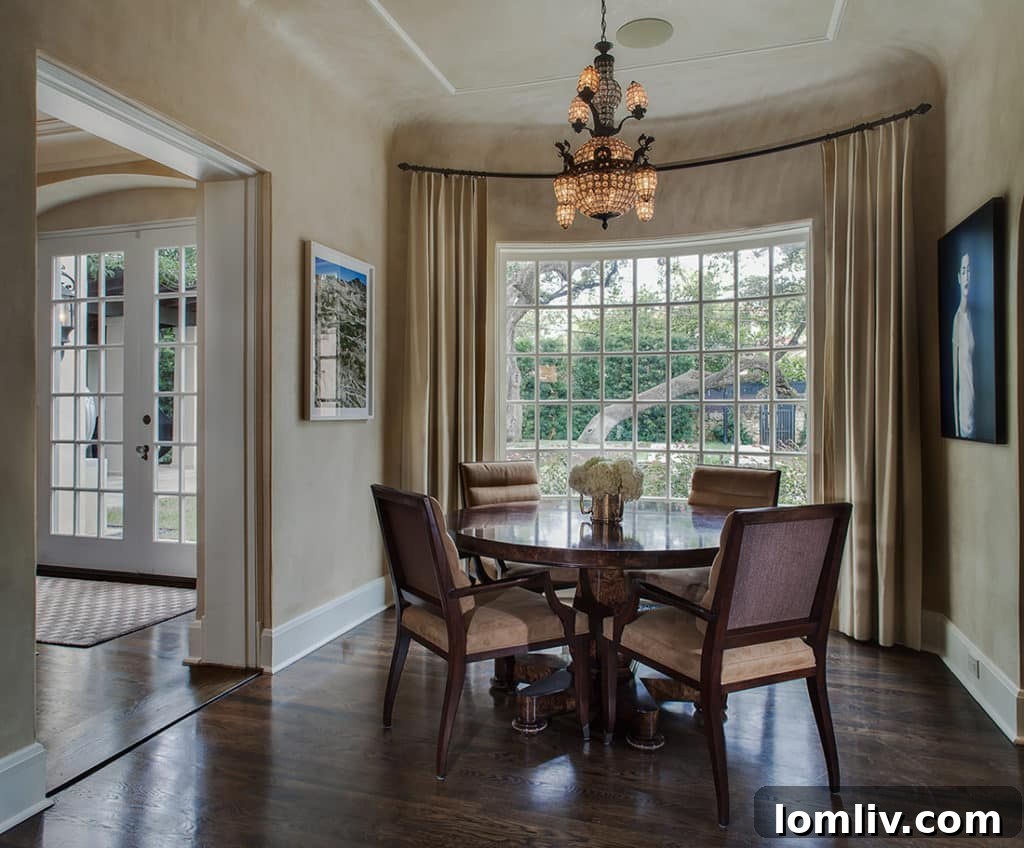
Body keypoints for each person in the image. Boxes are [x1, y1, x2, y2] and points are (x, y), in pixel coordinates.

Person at [951, 252, 975, 438]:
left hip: (978, 410)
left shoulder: (974, 317)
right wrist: (957, 431)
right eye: (964, 271)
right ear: (959, 277)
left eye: (970, 271)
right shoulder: (957, 320)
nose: (967, 276)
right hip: (965, 420)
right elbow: (955, 380)